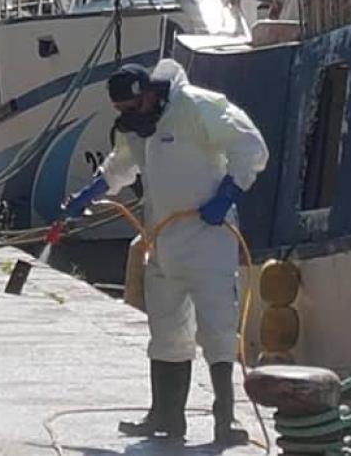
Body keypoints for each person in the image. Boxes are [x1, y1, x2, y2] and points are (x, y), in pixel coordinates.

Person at [64, 59, 268, 445]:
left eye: (133, 108)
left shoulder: (196, 107)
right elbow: (121, 166)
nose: (130, 117)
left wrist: (227, 195)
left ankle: (225, 419)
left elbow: (251, 147)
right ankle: (166, 416)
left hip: (209, 236)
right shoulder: (138, 129)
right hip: (163, 239)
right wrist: (92, 191)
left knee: (218, 328)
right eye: (122, 112)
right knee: (166, 330)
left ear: (151, 94)